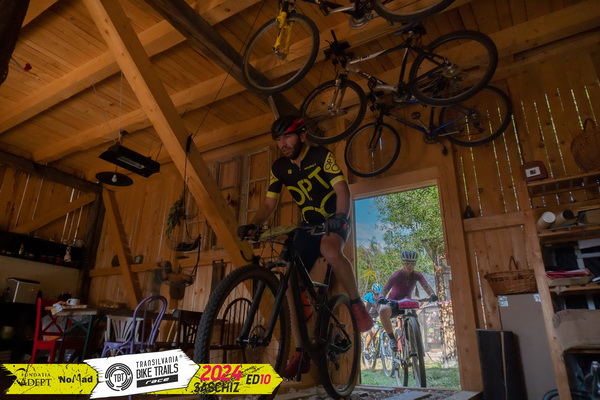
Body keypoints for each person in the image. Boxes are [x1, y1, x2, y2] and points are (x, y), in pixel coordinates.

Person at [237, 115, 374, 379]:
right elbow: (268, 204)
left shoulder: (321, 155)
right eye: (279, 139)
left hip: (333, 221)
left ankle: (357, 303)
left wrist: (340, 217)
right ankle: (302, 352)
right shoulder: (279, 167)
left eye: (287, 137)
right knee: (290, 282)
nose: (283, 143)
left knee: (331, 251)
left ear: (301, 136)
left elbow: (342, 191)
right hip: (307, 226)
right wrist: (253, 224)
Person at [377, 250, 438, 352]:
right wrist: (381, 297)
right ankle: (392, 338)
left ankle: (416, 344)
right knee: (383, 311)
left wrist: (432, 295)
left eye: (412, 263)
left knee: (415, 321)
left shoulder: (417, 275)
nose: (410, 266)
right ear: (403, 263)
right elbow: (386, 288)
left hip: (407, 303)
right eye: (407, 263)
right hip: (394, 302)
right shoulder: (397, 275)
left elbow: (426, 286)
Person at [363, 282, 382, 349]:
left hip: (375, 316)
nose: (377, 296)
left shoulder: (382, 298)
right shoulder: (368, 296)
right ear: (372, 292)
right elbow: (364, 306)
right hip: (367, 315)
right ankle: (366, 349)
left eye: (379, 294)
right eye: (375, 294)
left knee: (379, 329)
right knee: (371, 332)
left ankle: (375, 345)